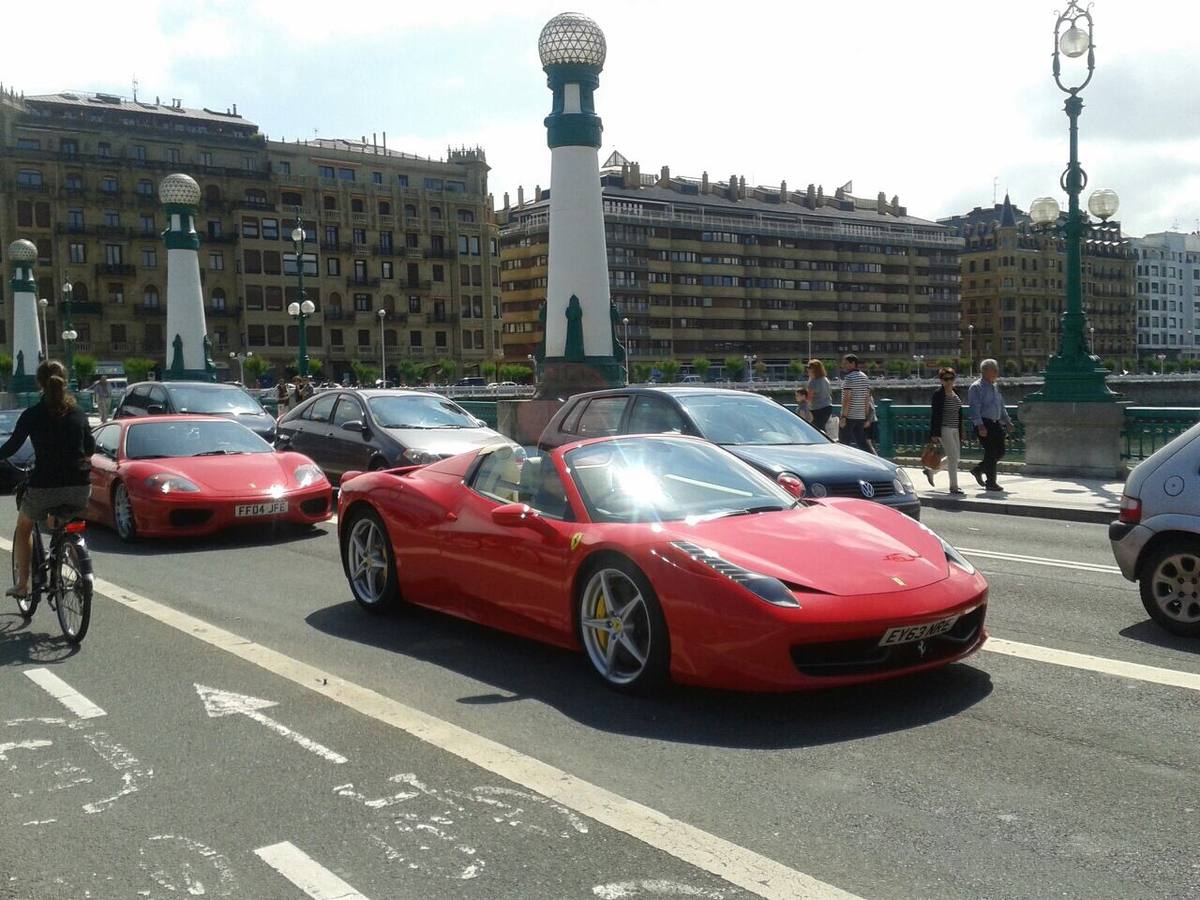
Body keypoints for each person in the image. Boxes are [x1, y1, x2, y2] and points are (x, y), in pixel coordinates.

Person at [1, 360, 94, 600]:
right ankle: (82, 574)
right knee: (66, 520)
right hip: (80, 487)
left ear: (39, 383)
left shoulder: (32, 414)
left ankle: (23, 585)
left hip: (45, 486)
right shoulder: (78, 413)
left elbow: (11, 447)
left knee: (23, 528)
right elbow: (90, 447)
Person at [967, 359, 1012, 492]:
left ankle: (978, 469)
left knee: (1000, 452)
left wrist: (1007, 421)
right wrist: (980, 425)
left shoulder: (994, 386)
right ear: (985, 371)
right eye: (994, 369)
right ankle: (991, 482)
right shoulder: (976, 387)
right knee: (991, 453)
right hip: (984, 423)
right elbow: (974, 408)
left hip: (996, 423)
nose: (997, 372)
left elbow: (1001, 406)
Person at [925, 367, 965, 494]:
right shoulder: (938, 395)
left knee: (956, 457)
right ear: (941, 380)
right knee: (953, 457)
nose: (949, 381)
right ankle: (954, 486)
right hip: (944, 429)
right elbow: (935, 415)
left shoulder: (956, 392)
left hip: (955, 429)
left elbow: (959, 413)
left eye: (951, 378)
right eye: (946, 379)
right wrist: (934, 434)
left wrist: (961, 430)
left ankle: (931, 471)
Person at [838, 354, 872, 452]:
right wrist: (865, 416)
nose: (843, 365)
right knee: (862, 443)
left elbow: (847, 398)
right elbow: (867, 398)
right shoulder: (865, 377)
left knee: (844, 443)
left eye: (845, 363)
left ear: (853, 363)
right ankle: (872, 460)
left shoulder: (849, 378)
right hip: (860, 416)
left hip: (849, 416)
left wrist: (843, 416)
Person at [805, 359, 834, 435]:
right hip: (828, 407)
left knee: (815, 429)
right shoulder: (825, 379)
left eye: (809, 368)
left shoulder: (813, 382)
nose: (807, 370)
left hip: (817, 409)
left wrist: (805, 409)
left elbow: (809, 399)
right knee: (821, 428)